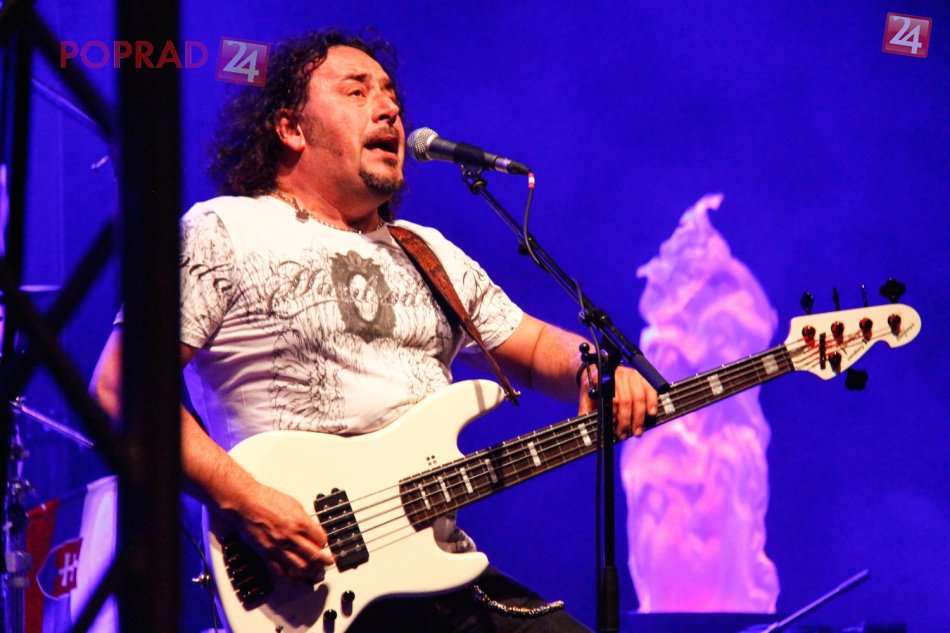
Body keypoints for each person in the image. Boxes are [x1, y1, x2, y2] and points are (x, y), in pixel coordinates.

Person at [92, 28, 658, 632]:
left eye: (390, 94)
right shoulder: (222, 230)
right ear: (290, 128)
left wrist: (594, 369)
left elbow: (536, 345)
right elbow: (123, 388)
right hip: (311, 584)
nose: (389, 109)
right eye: (357, 92)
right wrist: (248, 502)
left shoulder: (426, 252)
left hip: (439, 574)